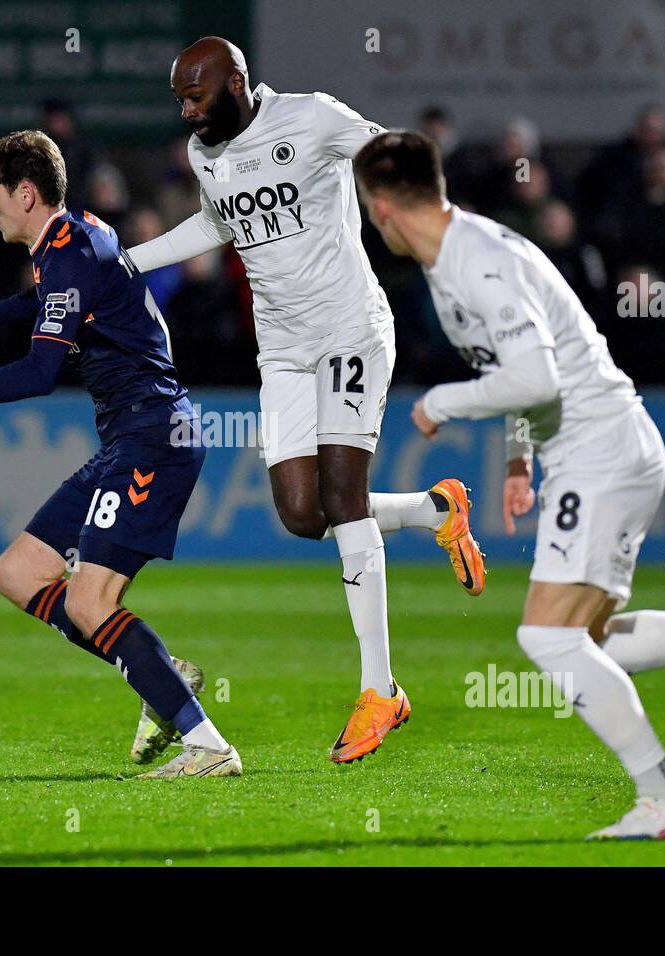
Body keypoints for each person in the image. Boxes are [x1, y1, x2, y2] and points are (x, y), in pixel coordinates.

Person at [353, 130, 665, 840]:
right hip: (599, 448)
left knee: (548, 638)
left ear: (381, 204)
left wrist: (441, 403)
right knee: (590, 638)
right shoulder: (453, 258)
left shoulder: (477, 262)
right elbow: (515, 364)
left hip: (600, 451)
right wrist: (520, 457)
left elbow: (538, 377)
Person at [125, 36, 486, 764]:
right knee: (302, 513)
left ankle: (380, 689)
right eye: (179, 101)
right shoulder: (205, 153)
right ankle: (431, 511)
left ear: (235, 81)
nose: (188, 111)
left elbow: (388, 153)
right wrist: (131, 261)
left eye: (196, 95)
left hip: (350, 329)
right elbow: (216, 225)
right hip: (283, 351)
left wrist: (429, 219)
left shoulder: (311, 118)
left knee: (345, 497)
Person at [0, 130, 240, 778]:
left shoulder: (64, 254)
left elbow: (40, 374)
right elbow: (50, 302)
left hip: (153, 436)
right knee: (18, 574)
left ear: (27, 193)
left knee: (89, 605)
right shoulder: (72, 235)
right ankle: (161, 677)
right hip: (128, 436)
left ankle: (207, 744)